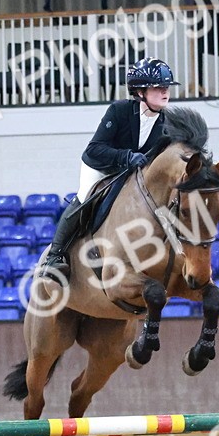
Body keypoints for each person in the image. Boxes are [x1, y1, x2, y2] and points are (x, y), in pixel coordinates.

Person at [38, 57, 180, 278]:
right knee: (84, 198)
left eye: (166, 87)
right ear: (140, 92)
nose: (165, 91)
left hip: (132, 174)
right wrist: (126, 156)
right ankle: (55, 256)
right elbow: (95, 148)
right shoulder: (119, 111)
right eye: (158, 87)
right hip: (101, 166)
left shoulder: (168, 123)